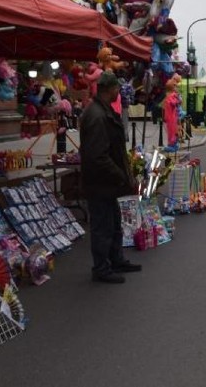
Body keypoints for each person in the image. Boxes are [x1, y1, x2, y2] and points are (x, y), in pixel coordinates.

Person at [79, 73, 142, 284]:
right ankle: (101, 268)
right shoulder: (96, 115)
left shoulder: (102, 111)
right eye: (117, 88)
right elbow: (98, 156)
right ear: (111, 89)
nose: (119, 92)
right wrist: (121, 175)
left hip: (106, 183)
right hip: (100, 182)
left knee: (114, 223)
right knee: (102, 226)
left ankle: (115, 260)